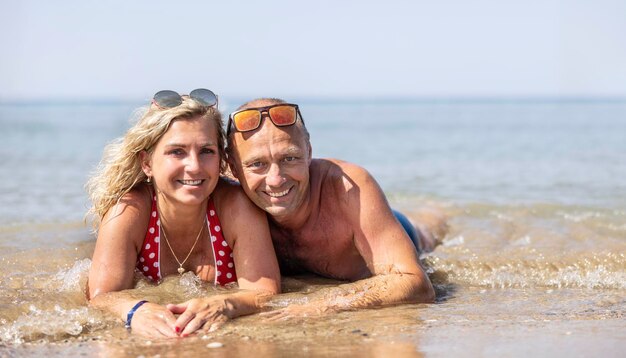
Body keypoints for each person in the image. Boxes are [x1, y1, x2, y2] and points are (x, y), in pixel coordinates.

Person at [226, 98, 447, 319]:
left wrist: (322, 304)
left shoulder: (349, 185)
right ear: (233, 167)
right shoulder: (226, 198)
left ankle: (438, 213)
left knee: (430, 230)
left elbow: (415, 283)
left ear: (309, 152)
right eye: (257, 164)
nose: (275, 180)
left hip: (393, 228)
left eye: (290, 158)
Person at [86, 89, 280, 337]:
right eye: (177, 151)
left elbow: (265, 293)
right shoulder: (127, 211)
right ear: (147, 163)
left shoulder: (236, 206)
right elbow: (102, 298)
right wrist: (135, 310)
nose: (194, 166)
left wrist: (224, 304)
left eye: (206, 151)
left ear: (221, 159)